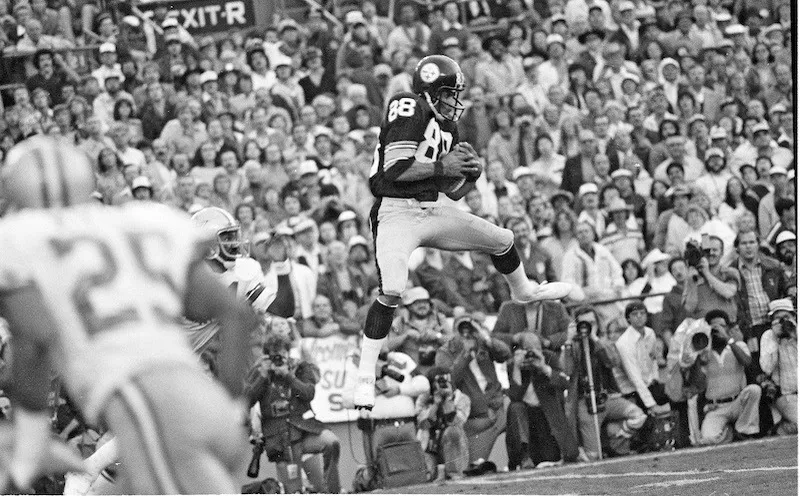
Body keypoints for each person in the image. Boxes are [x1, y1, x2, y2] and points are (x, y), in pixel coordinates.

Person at [0, 136, 257, 493]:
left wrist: (29, 436)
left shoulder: (22, 238)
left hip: (142, 401)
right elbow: (236, 314)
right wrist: (231, 404)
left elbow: (35, 339)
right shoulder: (145, 221)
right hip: (203, 399)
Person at [353, 54, 571, 409]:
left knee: (503, 240)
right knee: (393, 287)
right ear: (429, 91)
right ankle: (364, 376)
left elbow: (450, 191)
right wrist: (443, 165)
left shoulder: (447, 128)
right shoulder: (407, 106)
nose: (455, 101)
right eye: (449, 93)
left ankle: (526, 291)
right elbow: (393, 171)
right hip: (395, 212)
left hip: (433, 209)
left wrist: (469, 176)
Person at [245, 333, 341, 493]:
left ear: (288, 353)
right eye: (273, 355)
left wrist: (288, 376)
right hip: (280, 440)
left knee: (332, 442)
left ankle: (333, 491)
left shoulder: (299, 368)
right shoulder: (260, 371)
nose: (278, 359)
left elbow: (309, 393)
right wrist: (262, 377)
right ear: (267, 355)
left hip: (305, 431)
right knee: (293, 490)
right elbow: (246, 401)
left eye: (281, 354)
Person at [562, 306, 647, 460]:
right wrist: (568, 341)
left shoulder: (603, 342)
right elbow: (566, 370)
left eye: (592, 323)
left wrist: (595, 338)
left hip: (608, 397)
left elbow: (612, 361)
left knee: (638, 416)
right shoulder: (572, 345)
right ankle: (602, 441)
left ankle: (611, 432)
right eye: (584, 323)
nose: (587, 327)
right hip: (584, 402)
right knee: (593, 456)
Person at [436, 314, 510, 474]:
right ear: (454, 331)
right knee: (474, 467)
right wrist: (465, 354)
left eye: (470, 329)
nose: (466, 333)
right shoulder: (445, 351)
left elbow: (505, 354)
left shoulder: (483, 342)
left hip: (498, 406)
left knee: (514, 408)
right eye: (461, 329)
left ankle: (522, 458)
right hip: (475, 417)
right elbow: (450, 380)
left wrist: (486, 339)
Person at [505, 332, 577, 469]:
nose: (531, 353)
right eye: (527, 348)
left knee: (550, 457)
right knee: (515, 407)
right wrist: (516, 368)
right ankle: (524, 455)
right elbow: (514, 396)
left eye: (536, 348)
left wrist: (544, 368)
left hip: (546, 417)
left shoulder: (550, 357)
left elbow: (565, 383)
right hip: (526, 418)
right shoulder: (513, 363)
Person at [687, 310, 759, 445]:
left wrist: (728, 339)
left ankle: (744, 430)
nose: (717, 330)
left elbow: (747, 362)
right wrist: (698, 359)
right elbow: (697, 383)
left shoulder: (738, 345)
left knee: (754, 390)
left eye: (721, 326)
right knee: (709, 439)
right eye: (713, 327)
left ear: (727, 327)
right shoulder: (704, 353)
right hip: (716, 407)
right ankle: (730, 432)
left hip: (738, 402)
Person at [415, 366, 471, 480]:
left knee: (453, 431)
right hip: (430, 445)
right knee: (427, 477)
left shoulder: (462, 398)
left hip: (452, 446)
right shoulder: (423, 399)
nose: (441, 385)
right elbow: (423, 424)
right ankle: (432, 472)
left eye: (445, 381)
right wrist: (435, 405)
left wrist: (448, 401)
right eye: (438, 382)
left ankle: (454, 471)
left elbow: (457, 422)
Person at [759, 299, 797, 434]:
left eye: (786, 317)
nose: (782, 321)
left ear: (794, 317)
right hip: (787, 396)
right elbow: (767, 368)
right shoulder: (768, 336)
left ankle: (783, 428)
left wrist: (794, 335)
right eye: (778, 318)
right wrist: (776, 340)